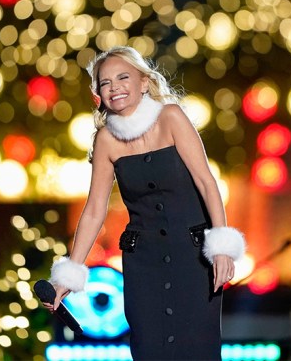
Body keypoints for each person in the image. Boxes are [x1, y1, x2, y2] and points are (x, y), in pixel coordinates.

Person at [43, 46, 246, 360]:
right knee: (150, 349)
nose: (115, 87)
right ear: (98, 94)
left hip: (192, 259)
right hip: (143, 264)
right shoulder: (106, 140)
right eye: (105, 83)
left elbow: (207, 182)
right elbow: (95, 209)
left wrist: (221, 247)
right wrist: (69, 274)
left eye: (123, 77)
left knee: (197, 350)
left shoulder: (171, 117)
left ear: (143, 82)